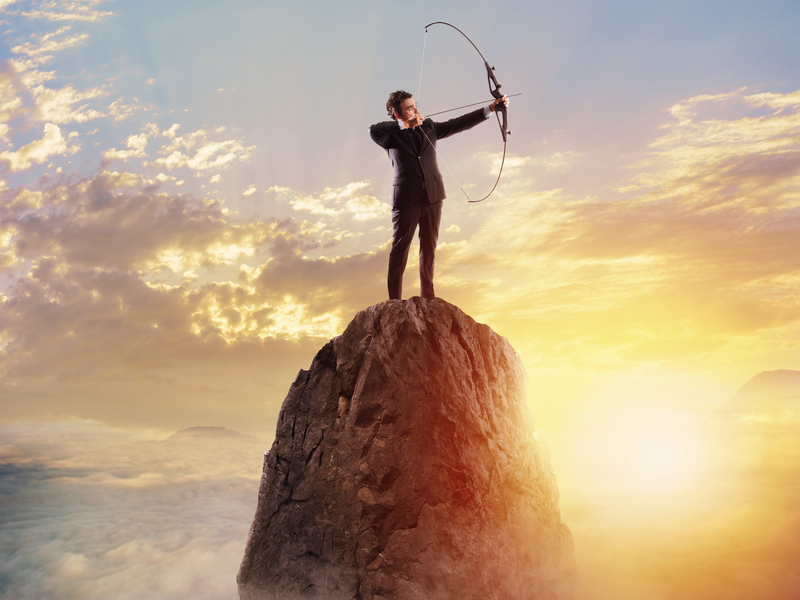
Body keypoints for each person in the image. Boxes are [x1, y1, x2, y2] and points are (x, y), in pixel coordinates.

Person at [370, 90, 508, 300]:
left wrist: (490, 108)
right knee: (400, 251)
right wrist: (406, 125)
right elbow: (373, 130)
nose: (415, 110)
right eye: (409, 108)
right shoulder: (389, 136)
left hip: (433, 196)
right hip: (406, 199)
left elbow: (458, 123)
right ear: (398, 115)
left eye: (414, 105)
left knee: (429, 248)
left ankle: (428, 298)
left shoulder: (429, 126)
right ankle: (394, 303)